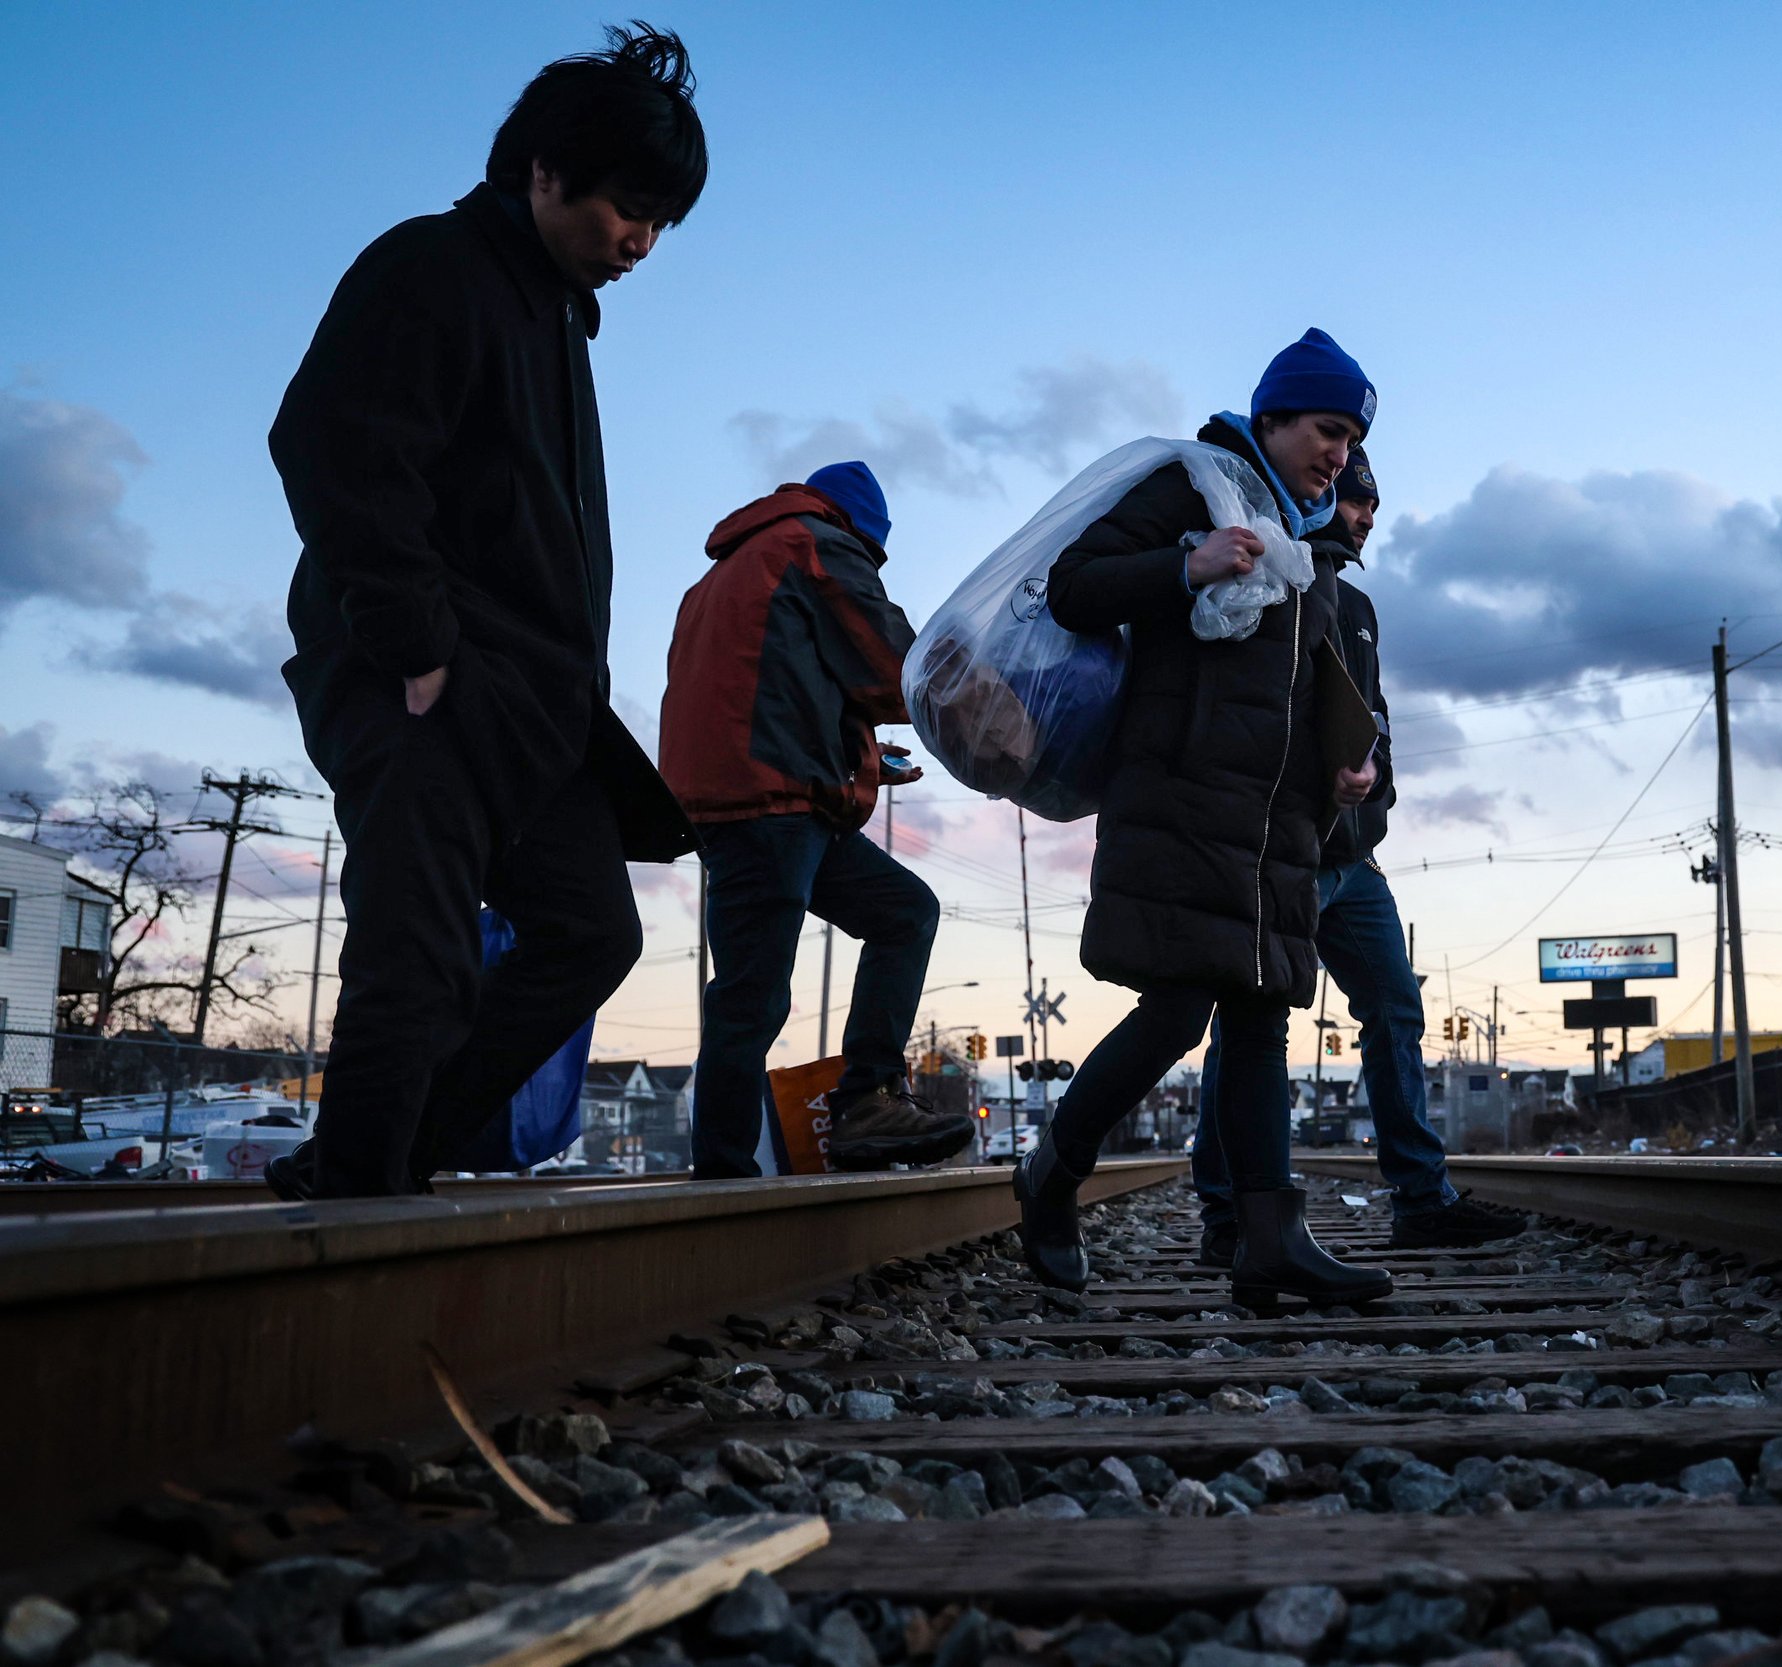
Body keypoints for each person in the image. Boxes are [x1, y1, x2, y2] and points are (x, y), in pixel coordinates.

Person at [265, 25, 707, 1198]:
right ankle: (354, 1210)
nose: (642, 243)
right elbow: (327, 444)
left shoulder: (553, 315)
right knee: (414, 956)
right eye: (630, 208)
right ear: (545, 170)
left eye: (662, 223)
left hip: (532, 709)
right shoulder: (434, 267)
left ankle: (388, 1162)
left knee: (589, 933)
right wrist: (413, 646)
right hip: (427, 681)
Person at [1014, 330, 1396, 1308]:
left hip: (1275, 820)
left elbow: (1296, 686)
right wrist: (1187, 562)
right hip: (1182, 799)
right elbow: (1074, 583)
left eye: (1351, 439)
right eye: (1326, 428)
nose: (1338, 454)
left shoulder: (1307, 542)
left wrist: (1340, 768)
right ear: (1271, 417)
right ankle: (1053, 1167)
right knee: (1178, 1009)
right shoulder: (1199, 487)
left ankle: (1268, 1237)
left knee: (1262, 1015)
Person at [1190, 446, 1515, 1264]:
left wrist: (1372, 783)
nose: (1367, 517)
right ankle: (1225, 1214)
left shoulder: (1360, 605)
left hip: (1351, 859)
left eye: (1371, 505)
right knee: (1244, 1024)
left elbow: (1373, 720)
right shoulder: (1277, 584)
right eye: (1354, 500)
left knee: (1396, 1009)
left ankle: (1421, 1199)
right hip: (1286, 853)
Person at [659, 462, 972, 1176]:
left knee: (902, 913)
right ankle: (726, 1173)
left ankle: (863, 1105)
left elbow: (771, 684)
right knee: (750, 994)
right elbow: (893, 664)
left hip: (747, 797)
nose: (872, 568)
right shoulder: (814, 544)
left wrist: (857, 755)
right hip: (771, 801)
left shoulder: (721, 576)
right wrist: (981, 694)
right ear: (861, 529)